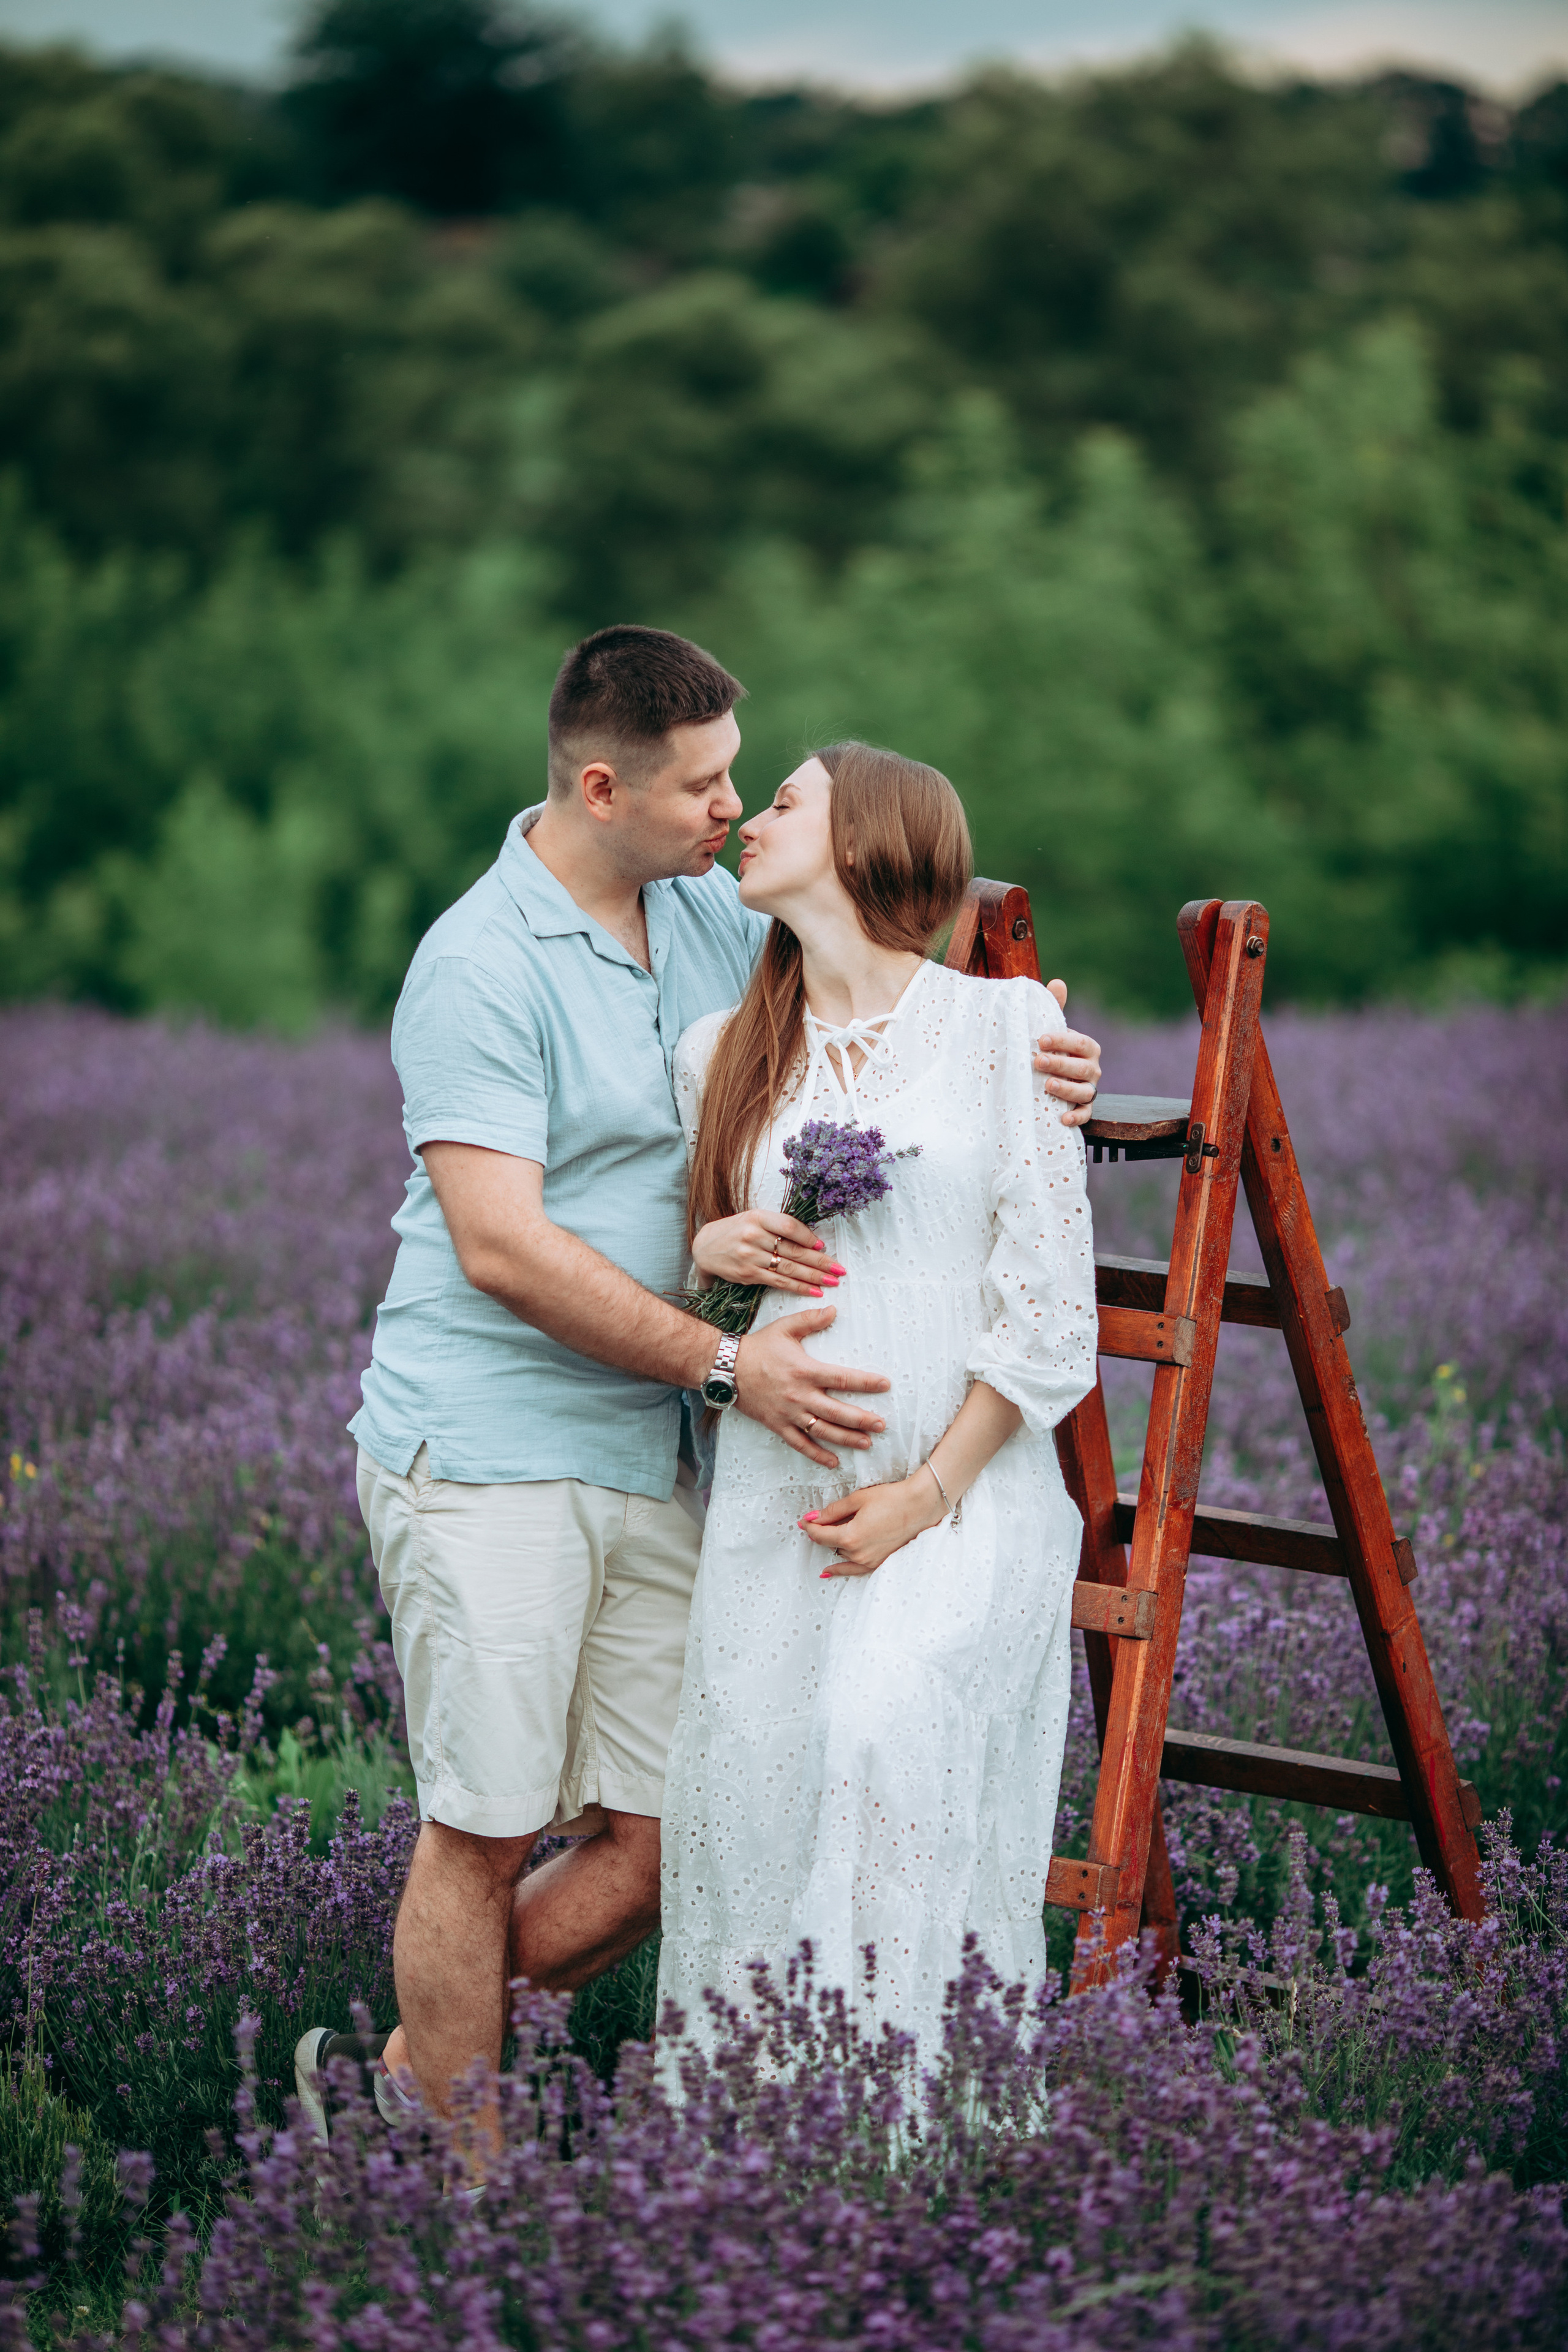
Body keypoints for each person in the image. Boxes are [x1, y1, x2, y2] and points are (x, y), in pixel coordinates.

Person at [295, 628, 1103, 2146]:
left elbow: (885, 985)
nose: (731, 809)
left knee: (682, 1832)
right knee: (483, 1829)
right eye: (707, 785)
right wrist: (727, 1353)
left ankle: (397, 2077)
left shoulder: (712, 919)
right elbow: (500, 1248)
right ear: (603, 789)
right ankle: (460, 2190)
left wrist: (1040, 1037)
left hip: (665, 1444)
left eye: (748, 781)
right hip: (496, 1442)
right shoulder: (476, 965)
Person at [658, 742, 1097, 2072]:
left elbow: (1048, 1316)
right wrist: (709, 1256)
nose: (750, 819)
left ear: (861, 842)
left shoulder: (1006, 1031)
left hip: (963, 1500)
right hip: (781, 1501)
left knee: (882, 1733)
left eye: (784, 801)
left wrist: (926, 1494)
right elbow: (709, 1318)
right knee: (759, 1793)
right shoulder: (720, 1054)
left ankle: (913, 2130)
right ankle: (761, 2127)